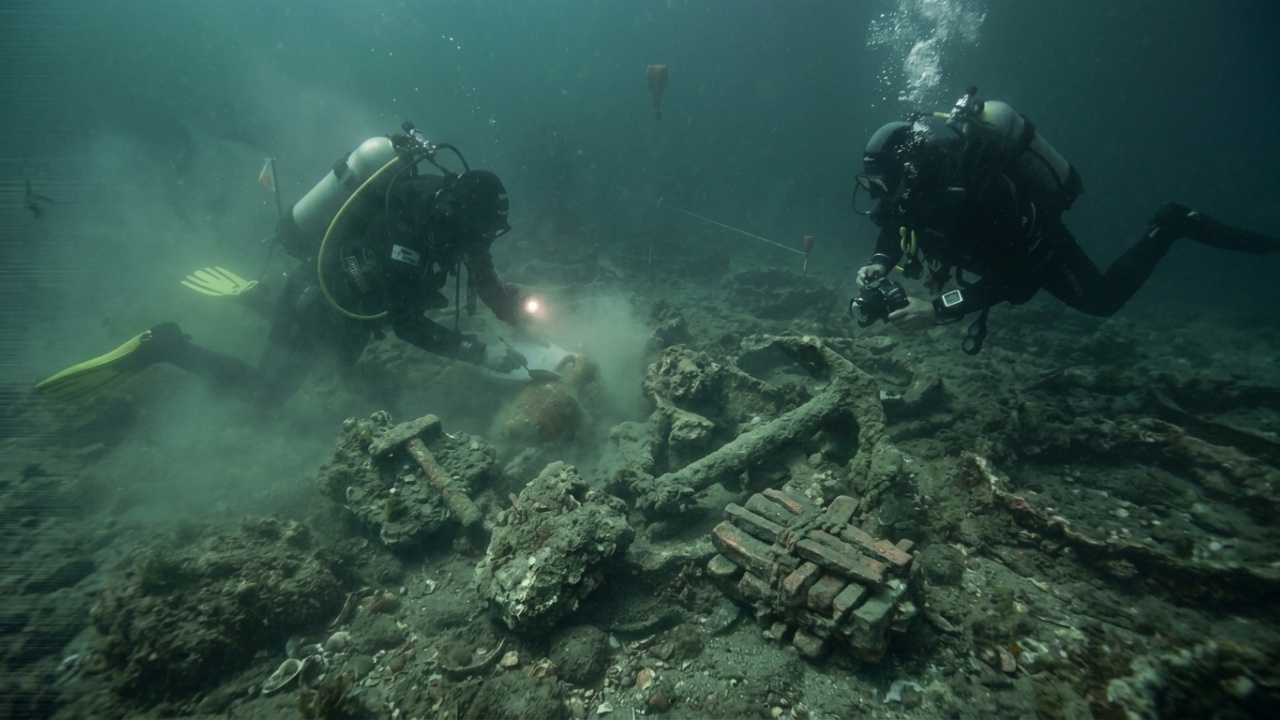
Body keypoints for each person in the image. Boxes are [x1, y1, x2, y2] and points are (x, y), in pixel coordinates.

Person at [36, 128, 531, 406]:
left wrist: (515, 313)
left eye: (490, 235)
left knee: (357, 379)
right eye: (483, 232)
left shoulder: (454, 223)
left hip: (356, 309)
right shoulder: (409, 236)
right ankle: (164, 346)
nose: (485, 243)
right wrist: (477, 353)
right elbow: (406, 326)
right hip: (318, 303)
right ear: (461, 214)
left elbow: (481, 270)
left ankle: (258, 296)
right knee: (265, 398)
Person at [852, 91, 1280, 354]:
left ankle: (1170, 226)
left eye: (879, 182)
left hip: (1037, 249)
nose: (875, 194)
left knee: (1102, 302)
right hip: (994, 258)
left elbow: (1018, 282)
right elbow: (895, 224)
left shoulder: (978, 194)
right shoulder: (910, 191)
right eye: (869, 182)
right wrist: (880, 262)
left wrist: (938, 311)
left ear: (908, 170)